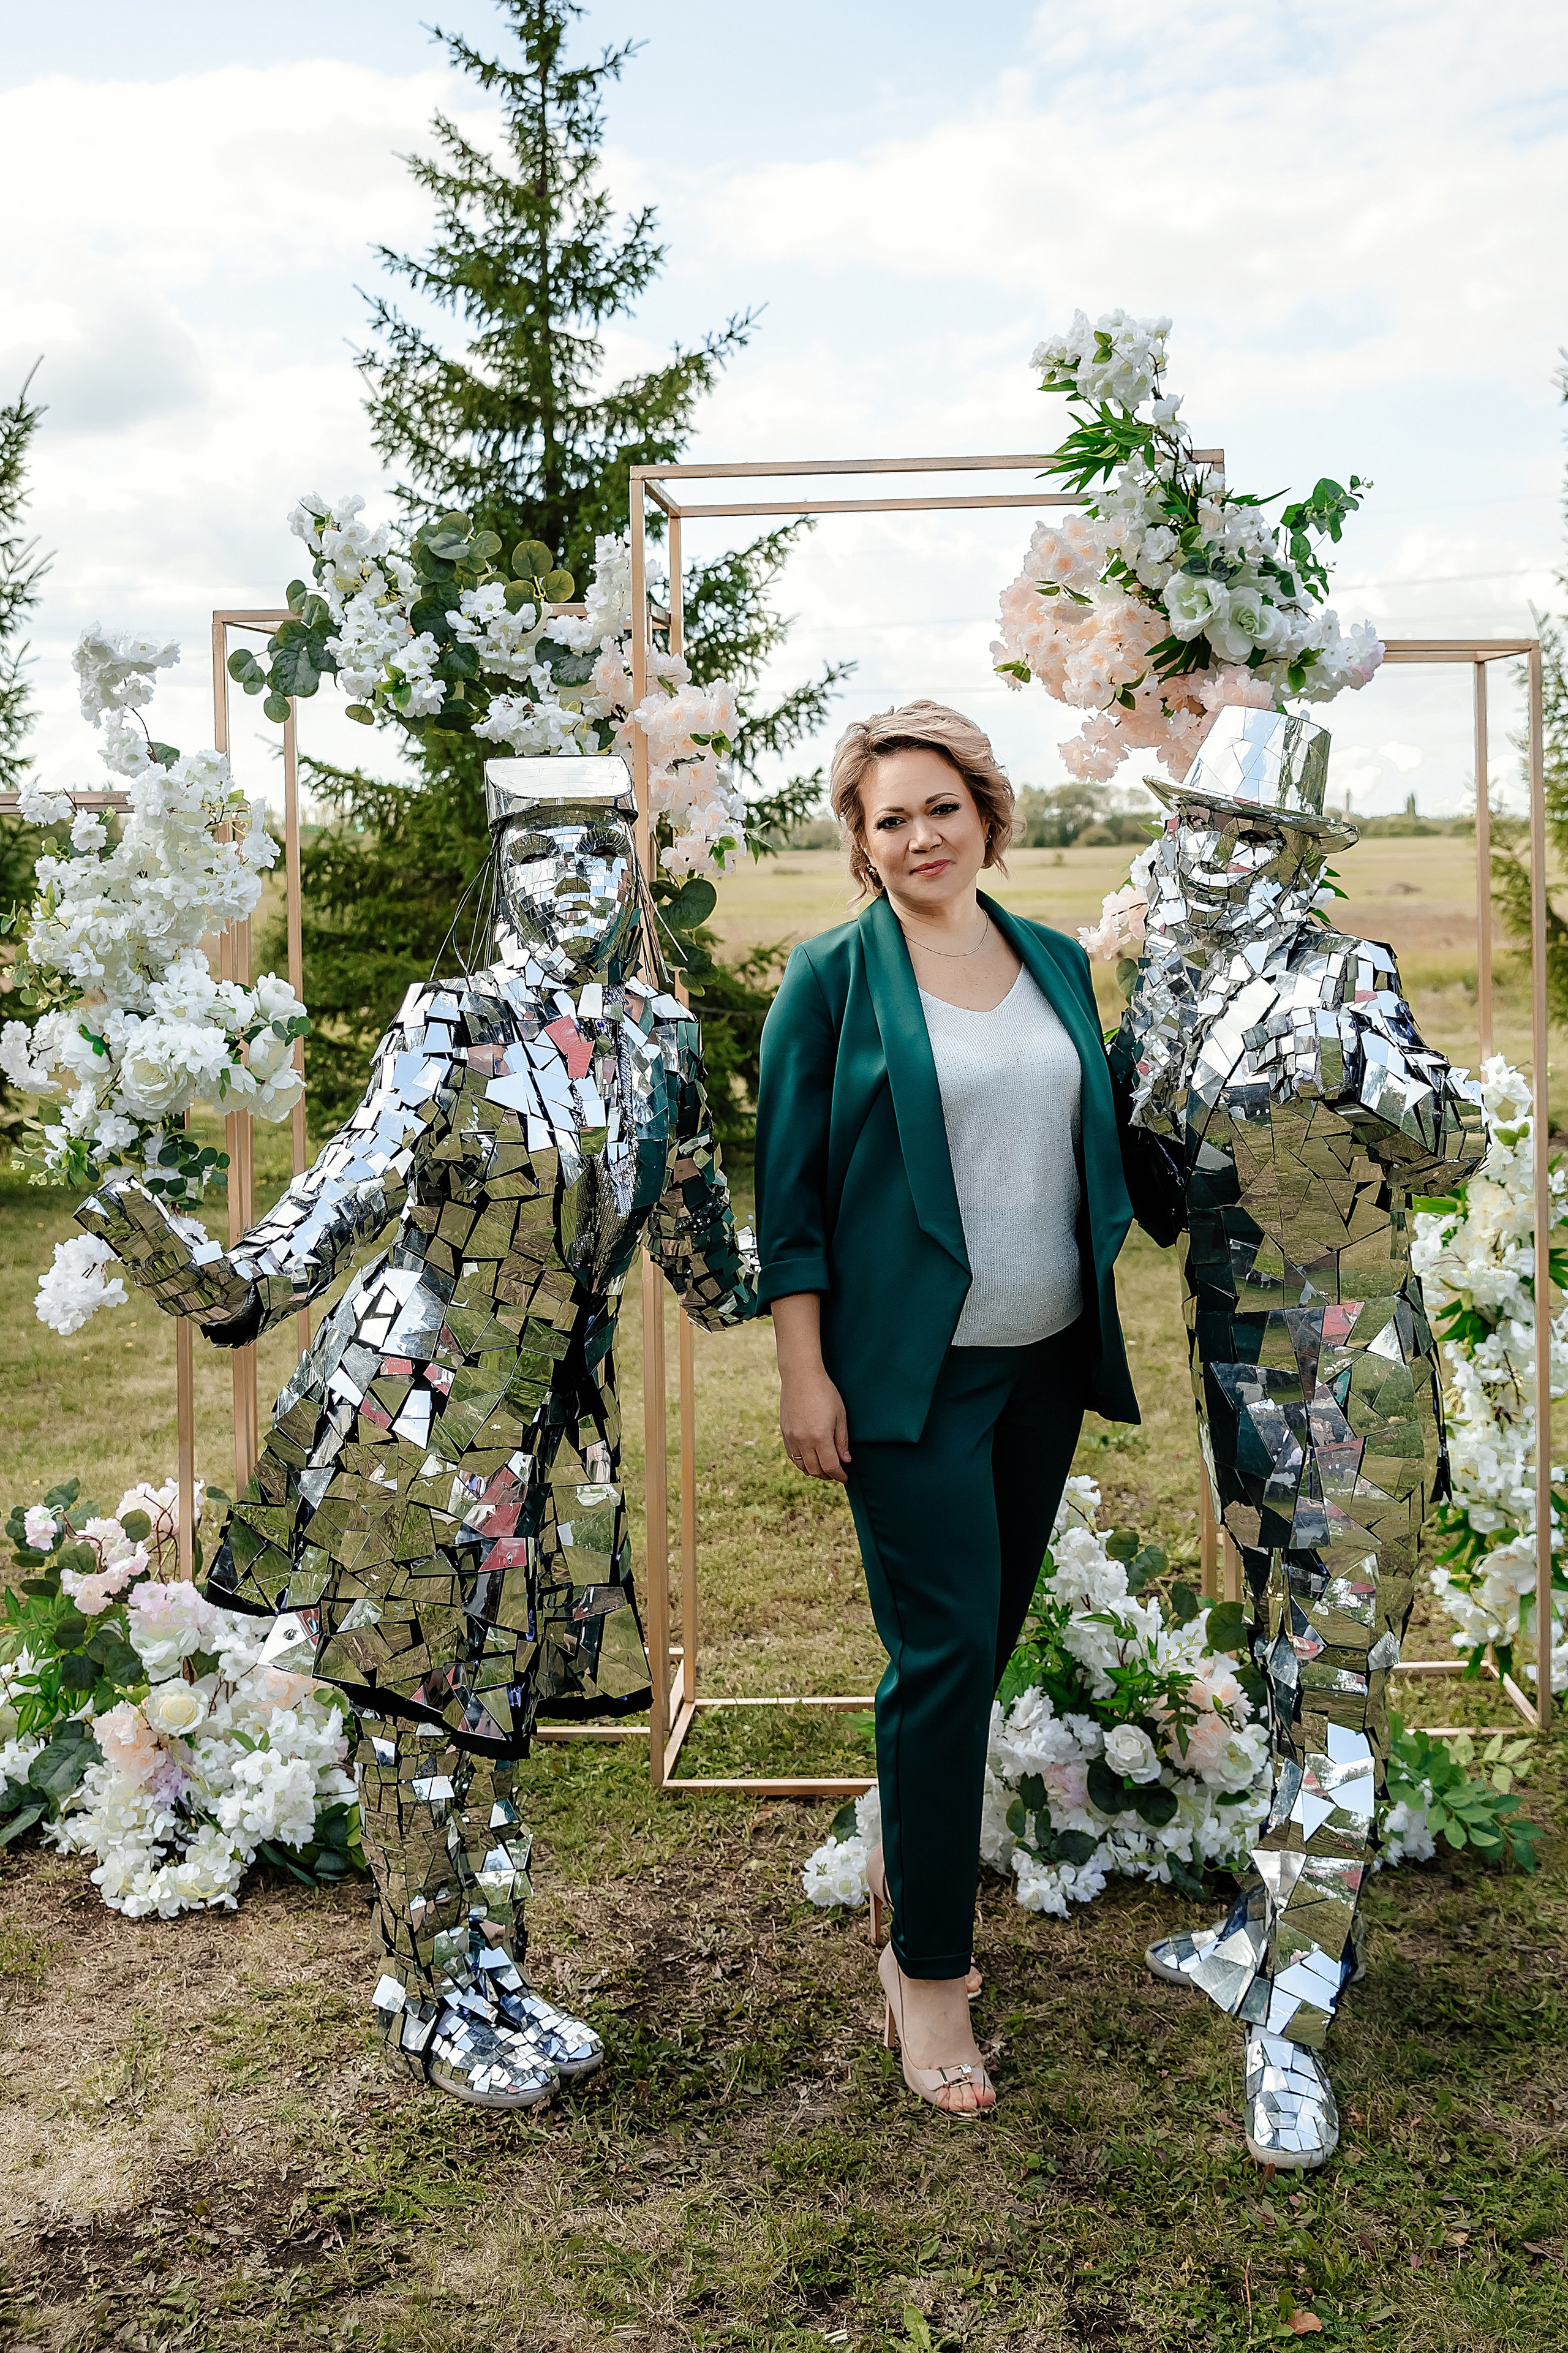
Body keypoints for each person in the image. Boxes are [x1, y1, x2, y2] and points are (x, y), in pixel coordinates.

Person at [77, 755, 757, 2110]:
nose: (573, 876)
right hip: (415, 1403)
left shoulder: (658, 1039)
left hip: (551, 1422)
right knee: (416, 1705)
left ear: (633, 870)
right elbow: (343, 1191)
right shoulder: (455, 1020)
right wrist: (226, 1287)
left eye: (596, 848)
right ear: (501, 875)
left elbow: (706, 1259)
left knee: (488, 1712)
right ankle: (433, 1987)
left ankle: (484, 1969)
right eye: (542, 851)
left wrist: (871, 1235)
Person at [1112, 704, 1485, 2169]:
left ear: (1295, 858)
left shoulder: (1348, 973)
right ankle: (1259, 1925)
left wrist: (1361, 1063)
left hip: (1355, 1384)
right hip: (1237, 1384)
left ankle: (1295, 2027)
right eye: (1198, 821)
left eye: (1248, 830)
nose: (1212, 849)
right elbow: (1151, 1192)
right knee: (1279, 1663)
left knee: (1334, 1697)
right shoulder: (1161, 991)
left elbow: (1445, 1147)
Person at [753, 701, 1139, 2115]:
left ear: (985, 812)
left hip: (1042, 1364)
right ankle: (924, 1971)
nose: (918, 836)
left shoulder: (1051, 961)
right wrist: (806, 1368)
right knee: (939, 1657)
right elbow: (786, 1203)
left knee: (970, 1656)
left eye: (939, 807)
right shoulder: (832, 983)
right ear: (858, 841)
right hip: (906, 1383)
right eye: (887, 817)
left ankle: (895, 1859)